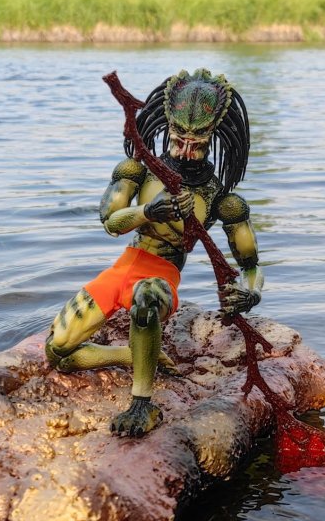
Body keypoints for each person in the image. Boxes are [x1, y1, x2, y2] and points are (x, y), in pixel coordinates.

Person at [45, 69, 263, 437]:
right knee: (58, 353)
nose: (185, 152)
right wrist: (146, 212)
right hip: (124, 267)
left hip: (162, 274)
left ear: (213, 141)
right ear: (167, 131)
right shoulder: (138, 172)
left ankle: (142, 403)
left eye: (198, 145)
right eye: (178, 141)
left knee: (148, 299)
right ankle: (131, 354)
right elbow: (110, 222)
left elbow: (251, 264)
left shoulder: (221, 201)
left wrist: (251, 292)